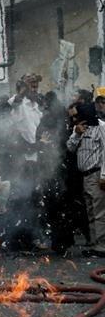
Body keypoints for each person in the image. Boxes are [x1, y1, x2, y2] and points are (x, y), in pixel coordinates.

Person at [68, 102, 105, 256]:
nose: (75, 118)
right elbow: (70, 147)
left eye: (78, 115)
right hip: (85, 176)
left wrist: (104, 176)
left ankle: (102, 246)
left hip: (96, 175)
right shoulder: (79, 128)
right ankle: (94, 243)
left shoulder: (101, 128)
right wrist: (76, 133)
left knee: (99, 212)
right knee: (90, 211)